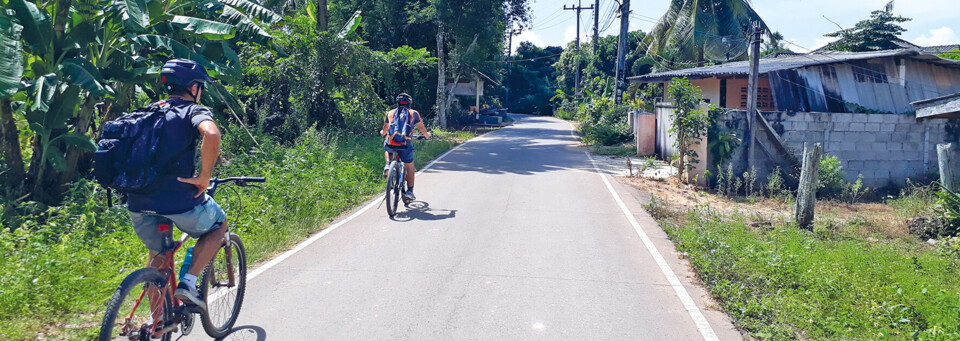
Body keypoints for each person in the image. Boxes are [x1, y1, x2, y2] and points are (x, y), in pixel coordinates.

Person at [126, 59, 226, 312]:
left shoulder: (148, 111)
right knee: (219, 225)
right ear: (193, 88)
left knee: (157, 257)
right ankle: (189, 283)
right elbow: (211, 134)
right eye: (200, 86)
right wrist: (204, 176)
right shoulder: (193, 111)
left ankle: (157, 323)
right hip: (177, 200)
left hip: (138, 201)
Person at [381, 93, 431, 201]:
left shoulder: (390, 113)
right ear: (409, 103)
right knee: (409, 166)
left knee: (387, 146)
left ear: (397, 103)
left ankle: (388, 165)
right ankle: (410, 191)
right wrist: (427, 135)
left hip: (391, 143)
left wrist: (383, 132)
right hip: (405, 144)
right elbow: (421, 128)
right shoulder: (414, 113)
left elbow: (385, 129)